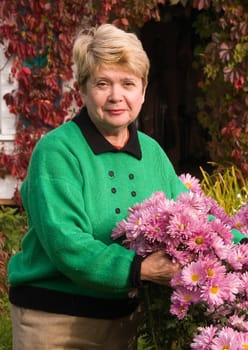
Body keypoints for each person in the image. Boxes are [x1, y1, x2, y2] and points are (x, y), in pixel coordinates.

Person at [7, 23, 193, 349]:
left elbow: (192, 216)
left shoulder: (151, 152)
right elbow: (66, 243)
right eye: (103, 83)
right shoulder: (57, 152)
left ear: (144, 89)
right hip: (55, 320)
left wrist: (246, 245)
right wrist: (140, 269)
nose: (116, 96)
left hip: (124, 318)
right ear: (83, 89)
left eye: (128, 83)